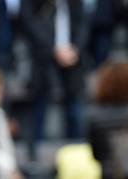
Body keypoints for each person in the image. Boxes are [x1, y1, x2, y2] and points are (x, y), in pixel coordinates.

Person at [21, 0, 88, 143]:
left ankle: (76, 149)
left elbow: (83, 24)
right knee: (40, 108)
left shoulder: (75, 3)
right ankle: (36, 153)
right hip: (44, 58)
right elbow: (29, 23)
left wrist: (75, 49)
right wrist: (54, 49)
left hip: (72, 59)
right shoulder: (37, 5)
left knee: (74, 109)